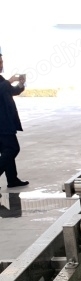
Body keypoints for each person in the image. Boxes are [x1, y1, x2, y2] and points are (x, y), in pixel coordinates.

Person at [0, 53, 29, 188]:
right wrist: (9, 81)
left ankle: (12, 179)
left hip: (6, 122)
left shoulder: (1, 79)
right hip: (2, 123)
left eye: (1, 62)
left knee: (6, 149)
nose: (1, 65)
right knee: (12, 148)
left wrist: (20, 84)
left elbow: (11, 91)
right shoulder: (3, 81)